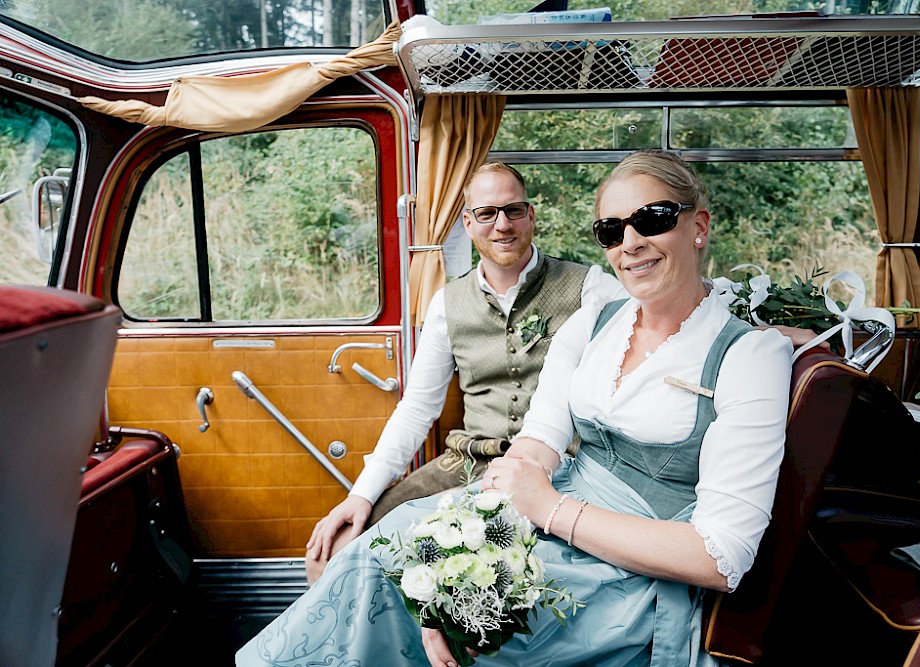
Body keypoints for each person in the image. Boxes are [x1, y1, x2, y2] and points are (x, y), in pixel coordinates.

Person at [237, 149, 793, 667]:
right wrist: (446, 562)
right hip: (520, 487)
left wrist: (546, 509)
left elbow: (722, 557)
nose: (630, 242)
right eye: (610, 230)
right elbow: (535, 437)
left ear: (698, 226)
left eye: (652, 219)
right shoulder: (595, 322)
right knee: (380, 554)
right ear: (468, 226)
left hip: (628, 556)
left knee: (408, 590)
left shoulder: (740, 352)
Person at [304, 161, 626, 583]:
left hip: (562, 465)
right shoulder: (446, 304)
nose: (502, 225)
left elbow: (648, 336)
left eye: (513, 210)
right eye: (488, 213)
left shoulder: (591, 287)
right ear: (468, 223)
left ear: (531, 216)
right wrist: (361, 494)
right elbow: (418, 407)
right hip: (469, 461)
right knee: (332, 554)